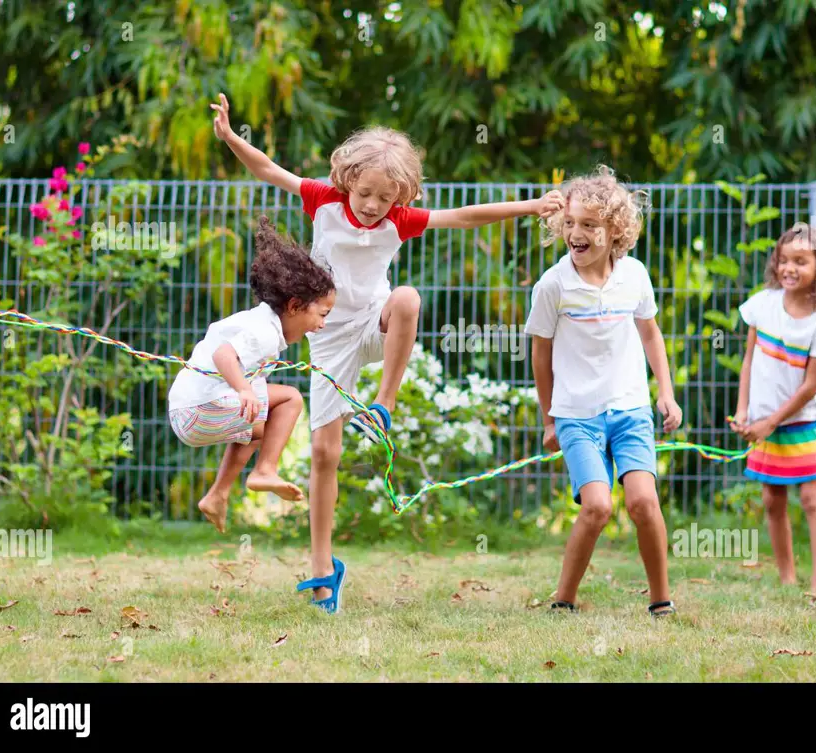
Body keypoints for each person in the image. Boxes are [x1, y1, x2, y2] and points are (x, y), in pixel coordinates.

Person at [210, 93, 564, 612]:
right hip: (328, 333)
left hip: (376, 324)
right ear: (348, 179)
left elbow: (465, 217)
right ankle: (323, 571)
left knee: (408, 298)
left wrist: (531, 206)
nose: (373, 205)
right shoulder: (322, 198)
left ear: (400, 195)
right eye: (366, 192)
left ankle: (384, 406)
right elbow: (267, 169)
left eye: (385, 196)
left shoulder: (400, 220)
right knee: (325, 454)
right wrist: (230, 136)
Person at [524, 164, 683, 618]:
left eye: (590, 225)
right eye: (570, 223)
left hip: (631, 409)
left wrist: (665, 393)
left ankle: (661, 601)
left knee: (643, 502)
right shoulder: (552, 286)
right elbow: (541, 356)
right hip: (577, 414)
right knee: (596, 507)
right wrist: (550, 418)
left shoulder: (633, 275)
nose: (577, 233)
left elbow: (651, 334)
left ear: (615, 231)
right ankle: (564, 599)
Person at [168, 216, 336, 534]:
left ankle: (218, 495)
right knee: (287, 401)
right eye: (322, 314)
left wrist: (248, 391)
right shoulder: (264, 332)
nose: (322, 324)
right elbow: (223, 355)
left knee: (262, 417)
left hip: (189, 409)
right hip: (197, 410)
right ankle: (264, 471)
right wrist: (244, 390)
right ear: (296, 306)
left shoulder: (264, 323)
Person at [729, 223, 816, 592]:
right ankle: (786, 578)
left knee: (812, 499)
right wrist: (744, 412)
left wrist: (770, 423)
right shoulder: (762, 304)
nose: (789, 269)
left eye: (800, 261)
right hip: (764, 422)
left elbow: (811, 387)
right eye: (783, 260)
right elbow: (748, 360)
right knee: (771, 499)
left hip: (805, 423)